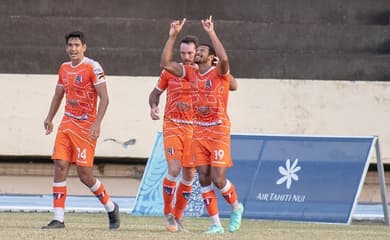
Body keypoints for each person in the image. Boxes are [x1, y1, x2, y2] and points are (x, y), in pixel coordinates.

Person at [160, 17, 244, 234]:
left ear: (211, 57)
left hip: (218, 131)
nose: (196, 54)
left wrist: (211, 33)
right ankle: (216, 224)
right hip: (198, 132)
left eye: (201, 51)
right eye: (195, 52)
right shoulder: (191, 73)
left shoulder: (220, 73)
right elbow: (165, 64)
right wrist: (172, 36)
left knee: (218, 178)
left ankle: (236, 207)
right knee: (204, 178)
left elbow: (225, 60)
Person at [42, 31, 120, 230]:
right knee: (60, 165)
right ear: (66, 47)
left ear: (84, 47)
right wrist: (50, 117)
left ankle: (111, 207)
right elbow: (58, 94)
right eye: (70, 45)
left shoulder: (93, 67)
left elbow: (105, 98)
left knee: (85, 174)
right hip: (67, 123)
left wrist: (97, 123)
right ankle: (58, 218)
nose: (73, 49)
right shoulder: (64, 68)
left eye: (77, 45)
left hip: (86, 127)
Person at [148, 35, 198, 232]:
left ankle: (178, 217)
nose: (186, 56)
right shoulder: (171, 71)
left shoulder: (202, 74)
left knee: (189, 173)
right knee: (175, 168)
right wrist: (154, 106)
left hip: (194, 130)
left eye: (190, 53)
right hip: (173, 125)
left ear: (197, 53)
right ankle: (168, 213)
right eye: (183, 53)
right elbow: (155, 93)